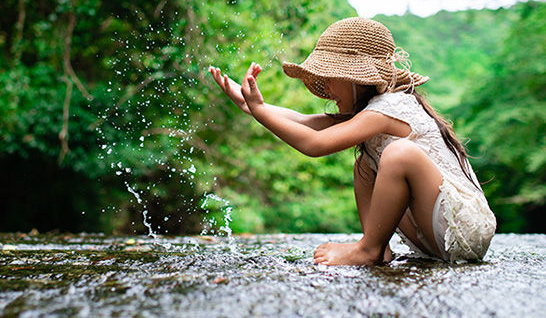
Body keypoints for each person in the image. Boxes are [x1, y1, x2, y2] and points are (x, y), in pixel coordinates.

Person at [208, 17, 496, 266]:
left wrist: (259, 110)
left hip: (462, 231)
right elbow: (304, 121)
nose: (328, 88)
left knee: (399, 154)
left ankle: (367, 250)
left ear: (357, 78)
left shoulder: (390, 108)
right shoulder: (368, 112)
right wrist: (253, 106)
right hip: (435, 234)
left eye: (331, 77)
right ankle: (380, 248)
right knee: (365, 165)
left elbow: (314, 144)